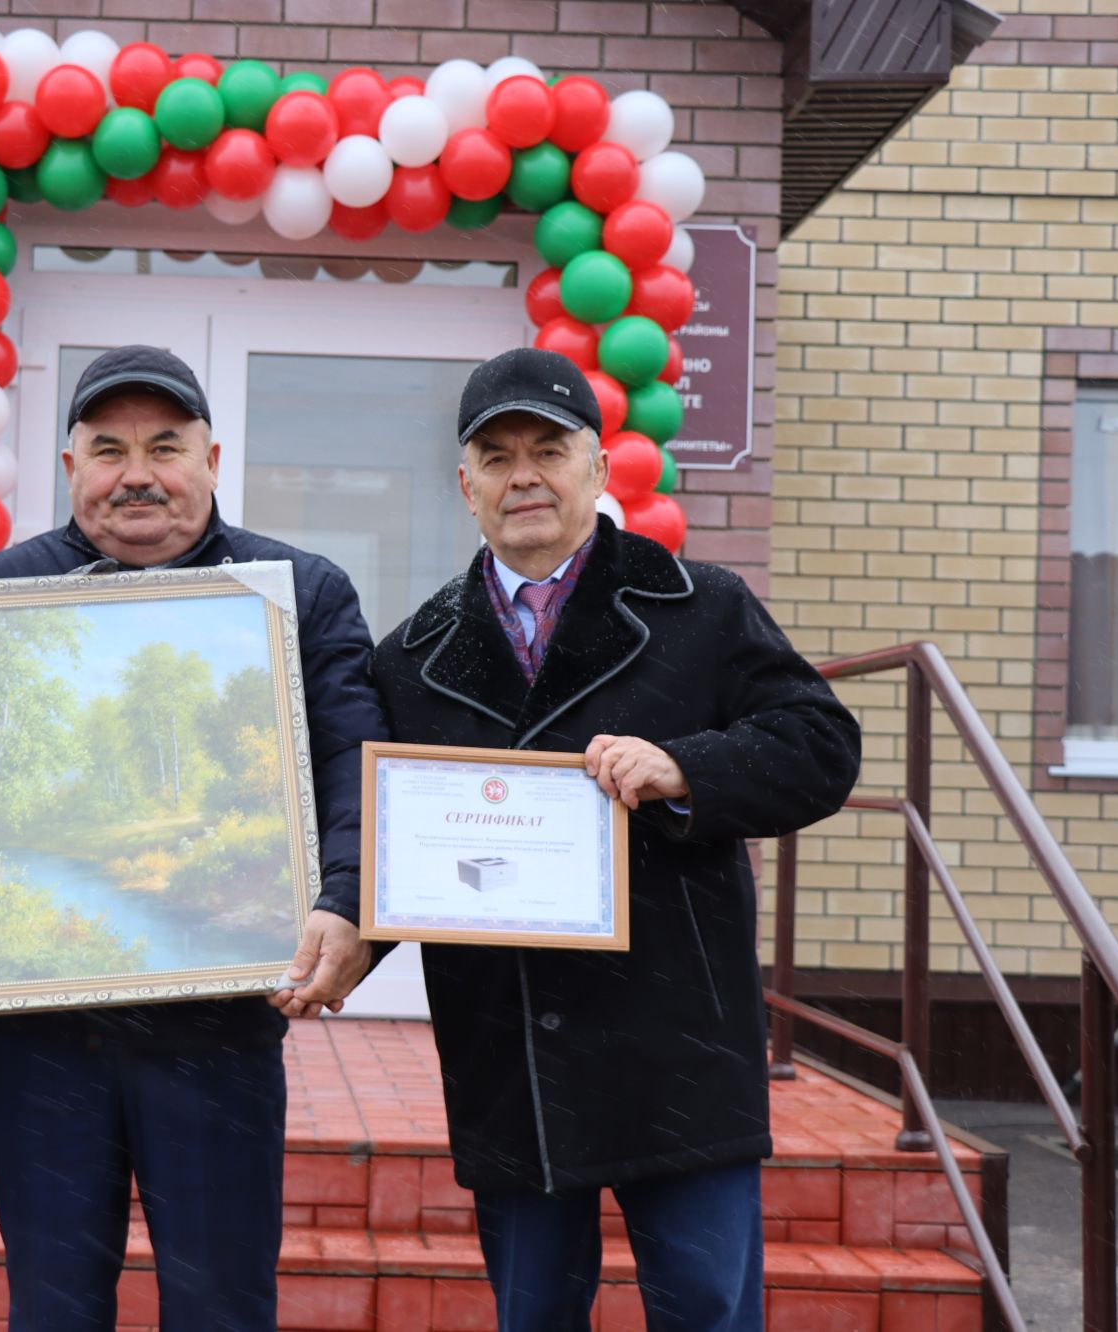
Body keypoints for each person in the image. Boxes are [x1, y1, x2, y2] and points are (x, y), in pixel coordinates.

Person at [0, 345, 385, 1332]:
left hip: (221, 1036)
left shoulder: (301, 593)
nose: (138, 474)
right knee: (52, 1307)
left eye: (165, 447)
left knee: (221, 1307)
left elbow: (356, 767)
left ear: (213, 459)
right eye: (109, 449)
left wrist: (345, 902)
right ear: (69, 470)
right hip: (48, 1045)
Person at [371, 348, 862, 1331]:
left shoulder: (701, 607)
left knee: (707, 1313)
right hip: (513, 1064)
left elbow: (822, 745)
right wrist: (333, 934)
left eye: (549, 450)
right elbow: (390, 844)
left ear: (598, 469)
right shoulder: (412, 658)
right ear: (465, 486)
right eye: (497, 455)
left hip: (676, 1051)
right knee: (535, 1317)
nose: (524, 476)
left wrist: (688, 768)